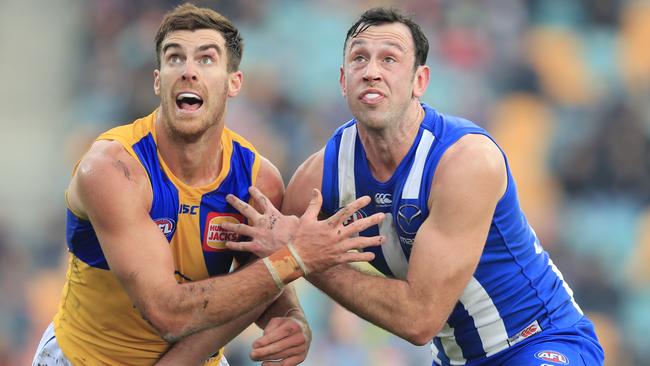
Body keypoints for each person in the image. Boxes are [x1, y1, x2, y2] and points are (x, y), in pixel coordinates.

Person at [223, 7, 605, 366]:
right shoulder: (317, 177)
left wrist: (303, 258)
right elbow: (266, 258)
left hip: (540, 341)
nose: (371, 71)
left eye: (389, 59)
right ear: (343, 80)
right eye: (359, 59)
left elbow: (420, 320)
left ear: (419, 80)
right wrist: (290, 318)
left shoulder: (465, 161)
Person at [31, 4, 385, 366]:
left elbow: (260, 280)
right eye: (174, 58)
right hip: (87, 358)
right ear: (158, 80)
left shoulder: (257, 180)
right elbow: (168, 314)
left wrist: (290, 318)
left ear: (234, 82)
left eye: (206, 59)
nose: (187, 71)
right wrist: (295, 258)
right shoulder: (113, 170)